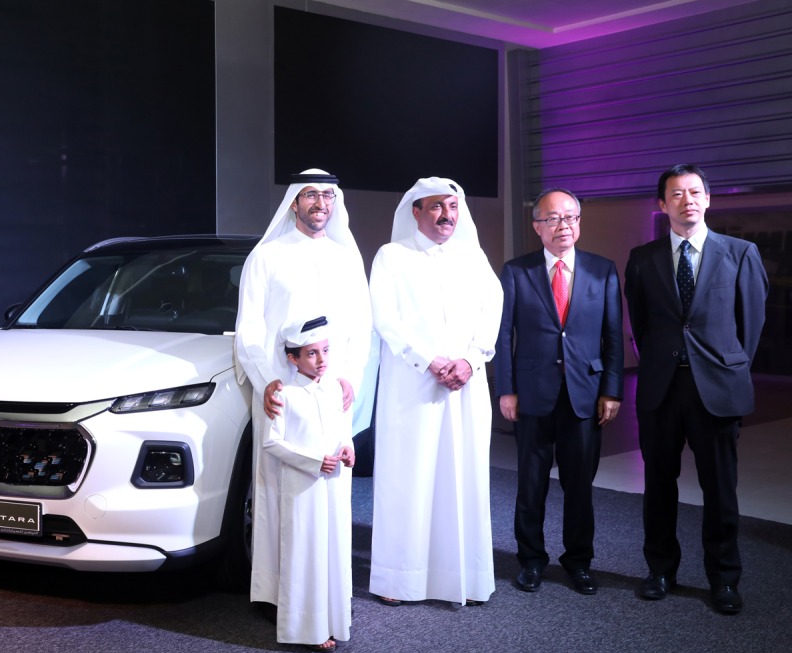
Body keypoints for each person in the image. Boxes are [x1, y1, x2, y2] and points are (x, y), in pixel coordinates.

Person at [624, 164, 767, 615]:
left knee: (720, 489)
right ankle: (660, 571)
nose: (686, 200)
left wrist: (726, 367)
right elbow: (641, 325)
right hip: (661, 389)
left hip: (717, 388)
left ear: (707, 199)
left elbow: (751, 325)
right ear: (662, 204)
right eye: (676, 194)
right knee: (658, 485)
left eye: (694, 192)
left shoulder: (740, 253)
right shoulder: (642, 258)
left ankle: (723, 579)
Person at [235, 169, 372, 609]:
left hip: (332, 391)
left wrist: (349, 376)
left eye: (328, 195)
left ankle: (328, 598)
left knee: (330, 488)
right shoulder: (267, 256)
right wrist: (265, 381)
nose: (320, 203)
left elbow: (361, 327)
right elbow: (248, 328)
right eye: (311, 195)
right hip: (281, 392)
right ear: (294, 201)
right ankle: (277, 598)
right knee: (278, 491)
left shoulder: (345, 258)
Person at [368, 177, 502, 607]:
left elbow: (492, 312)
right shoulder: (392, 256)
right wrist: (428, 361)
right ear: (416, 212)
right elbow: (384, 318)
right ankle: (398, 579)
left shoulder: (473, 257)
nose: (447, 215)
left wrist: (470, 360)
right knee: (408, 478)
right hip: (412, 386)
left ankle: (464, 577)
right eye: (437, 207)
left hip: (465, 385)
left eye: (453, 206)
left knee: (463, 477)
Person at [495, 188, 624, 595]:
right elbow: (503, 335)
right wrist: (506, 389)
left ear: (579, 222)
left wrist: (612, 390)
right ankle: (531, 560)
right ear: (537, 226)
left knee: (579, 486)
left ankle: (578, 562)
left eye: (570, 217)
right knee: (531, 484)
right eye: (552, 219)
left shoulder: (603, 270)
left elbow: (613, 336)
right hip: (532, 393)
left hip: (585, 394)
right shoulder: (517, 271)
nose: (562, 225)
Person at [264, 316, 354, 653]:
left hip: (333, 484)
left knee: (333, 550)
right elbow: (272, 442)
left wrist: (348, 447)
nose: (321, 360)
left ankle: (333, 620)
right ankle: (305, 628)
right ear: (293, 359)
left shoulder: (334, 389)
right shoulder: (284, 395)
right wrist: (313, 462)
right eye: (312, 353)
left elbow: (341, 429)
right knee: (305, 553)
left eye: (325, 351)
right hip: (302, 487)